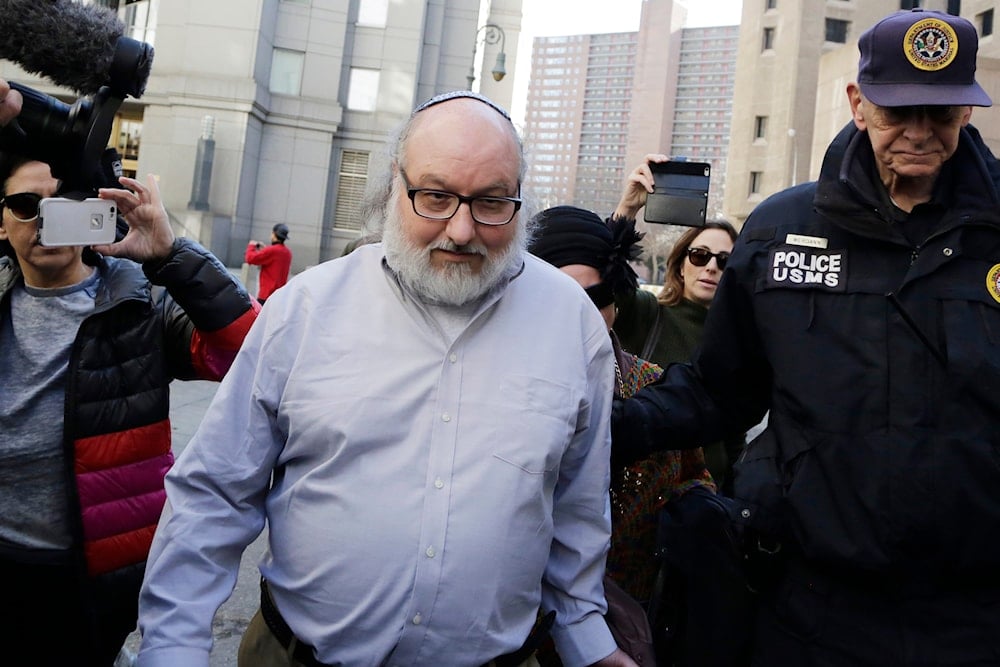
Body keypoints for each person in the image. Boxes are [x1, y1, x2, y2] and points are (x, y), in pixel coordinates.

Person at [136, 90, 636, 667]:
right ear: (392, 188)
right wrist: (172, 648)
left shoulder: (571, 324)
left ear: (521, 204)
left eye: (492, 203)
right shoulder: (305, 309)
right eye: (436, 196)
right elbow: (214, 494)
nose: (463, 228)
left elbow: (577, 502)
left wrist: (586, 638)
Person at [615, 9, 1000, 665]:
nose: (919, 133)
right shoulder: (779, 230)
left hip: (976, 614)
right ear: (857, 102)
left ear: (966, 112)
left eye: (939, 112)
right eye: (897, 111)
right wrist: (599, 426)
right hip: (812, 609)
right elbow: (721, 391)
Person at [0, 151, 259, 666]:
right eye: (27, 205)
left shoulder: (142, 301)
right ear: (2, 223)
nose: (45, 220)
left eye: (63, 204)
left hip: (90, 577)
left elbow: (249, 351)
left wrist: (171, 256)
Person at [528, 205, 716, 665]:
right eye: (563, 300)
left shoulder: (653, 389)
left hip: (627, 629)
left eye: (597, 300)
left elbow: (696, 485)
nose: (584, 318)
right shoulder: (489, 392)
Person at [611, 175, 741, 490]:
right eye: (700, 256)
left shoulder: (738, 342)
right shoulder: (647, 313)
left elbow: (734, 442)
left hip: (704, 504)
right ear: (681, 264)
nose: (711, 267)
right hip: (640, 494)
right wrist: (629, 207)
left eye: (724, 261)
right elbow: (607, 275)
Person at [245, 222, 293, 304]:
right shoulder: (287, 252)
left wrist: (251, 246)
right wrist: (265, 250)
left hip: (266, 296)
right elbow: (274, 259)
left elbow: (250, 258)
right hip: (279, 296)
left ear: (274, 234)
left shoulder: (272, 251)